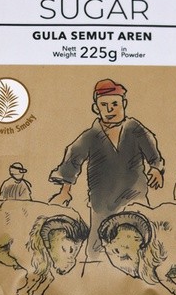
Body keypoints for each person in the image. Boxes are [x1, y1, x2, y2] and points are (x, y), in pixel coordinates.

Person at [49, 79, 164, 243]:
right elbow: (73, 159)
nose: (110, 110)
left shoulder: (134, 128)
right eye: (104, 105)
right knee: (96, 247)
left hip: (135, 200)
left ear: (124, 104)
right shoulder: (90, 136)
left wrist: (156, 168)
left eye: (115, 104)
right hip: (102, 204)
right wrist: (64, 191)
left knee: (140, 243)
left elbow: (152, 151)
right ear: (96, 108)